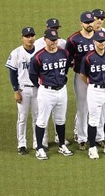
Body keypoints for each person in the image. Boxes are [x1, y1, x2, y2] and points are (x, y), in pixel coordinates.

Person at [29, 29, 74, 160]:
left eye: (56, 40)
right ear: (45, 40)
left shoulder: (64, 53)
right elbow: (33, 75)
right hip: (46, 91)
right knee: (42, 120)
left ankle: (61, 145)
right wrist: (41, 87)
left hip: (62, 90)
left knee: (61, 119)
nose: (54, 42)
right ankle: (39, 148)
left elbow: (65, 70)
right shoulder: (38, 57)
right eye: (51, 40)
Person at [79, 30, 105, 159]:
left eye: (103, 41)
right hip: (94, 90)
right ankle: (92, 147)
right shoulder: (88, 57)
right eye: (99, 41)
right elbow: (82, 75)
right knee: (94, 120)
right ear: (94, 42)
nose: (101, 43)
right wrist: (92, 84)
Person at [6, 27, 41, 155]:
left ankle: (38, 143)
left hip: (38, 89)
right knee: (22, 118)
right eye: (27, 36)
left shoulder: (40, 52)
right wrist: (16, 91)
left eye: (32, 36)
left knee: (38, 118)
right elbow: (12, 73)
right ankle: (21, 144)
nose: (30, 38)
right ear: (22, 38)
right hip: (23, 89)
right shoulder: (16, 53)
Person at [67, 11, 97, 149]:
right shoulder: (73, 39)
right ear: (81, 23)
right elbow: (68, 58)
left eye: (91, 22)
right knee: (82, 107)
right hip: (81, 77)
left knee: (98, 107)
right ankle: (82, 138)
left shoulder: (99, 37)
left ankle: (99, 137)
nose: (89, 24)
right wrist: (76, 68)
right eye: (86, 22)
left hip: (97, 77)